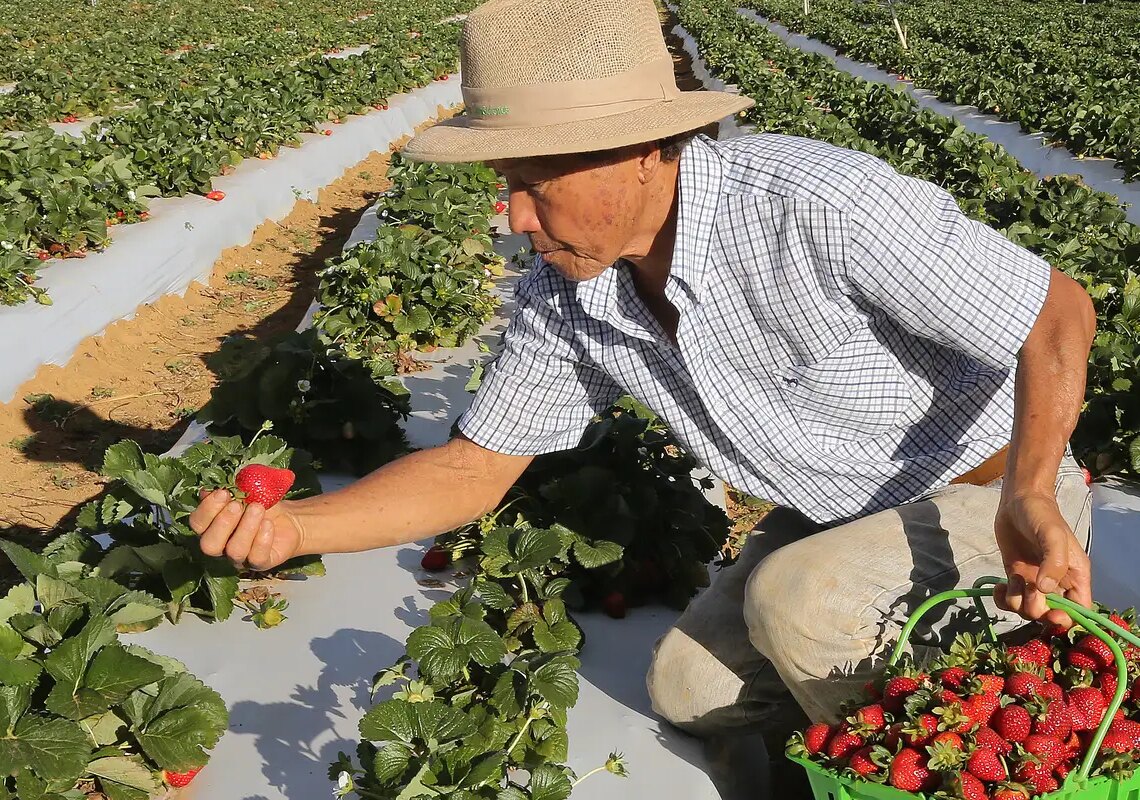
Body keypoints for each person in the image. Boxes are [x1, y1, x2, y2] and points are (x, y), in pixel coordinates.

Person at [189, 0, 1096, 790]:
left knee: (800, 603)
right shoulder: (567, 294)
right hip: (840, 514)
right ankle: (844, 743)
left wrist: (1029, 493)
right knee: (689, 688)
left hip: (989, 499)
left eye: (536, 185)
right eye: (506, 187)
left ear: (644, 153)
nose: (515, 218)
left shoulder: (817, 204)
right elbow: (471, 470)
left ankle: (959, 766)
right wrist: (296, 529)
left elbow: (1057, 312)